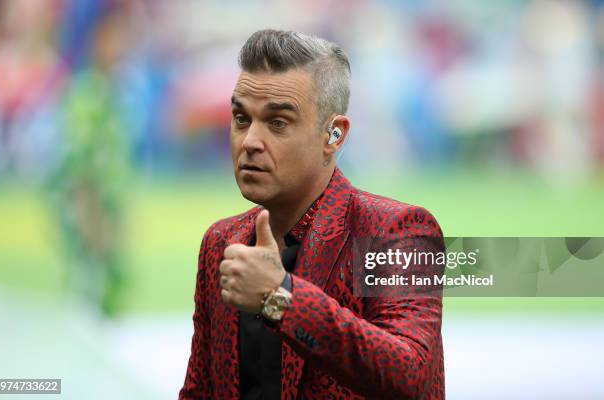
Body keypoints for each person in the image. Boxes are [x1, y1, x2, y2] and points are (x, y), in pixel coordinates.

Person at [179, 29, 445, 400]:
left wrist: (280, 296)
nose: (250, 141)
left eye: (277, 123)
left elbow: (409, 376)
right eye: (241, 118)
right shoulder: (220, 243)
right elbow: (199, 392)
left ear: (334, 135)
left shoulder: (394, 232)